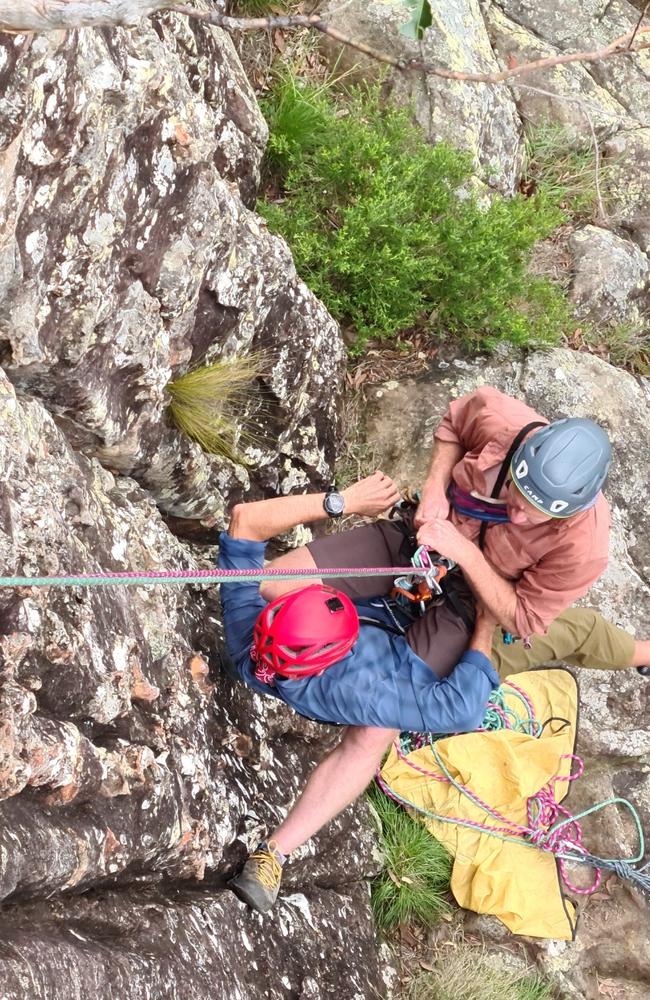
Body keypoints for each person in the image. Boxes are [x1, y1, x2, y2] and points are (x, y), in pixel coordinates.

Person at [220, 473, 649, 914]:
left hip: (379, 607)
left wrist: (343, 501)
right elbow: (462, 707)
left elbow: (246, 520)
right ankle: (275, 853)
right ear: (345, 648)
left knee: (270, 578)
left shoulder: (245, 618)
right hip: (416, 652)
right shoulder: (371, 690)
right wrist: (485, 626)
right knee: (570, 632)